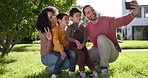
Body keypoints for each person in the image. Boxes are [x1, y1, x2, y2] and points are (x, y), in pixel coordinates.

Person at [82, 0, 139, 76]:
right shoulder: (87, 28)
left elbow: (121, 21)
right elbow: (81, 40)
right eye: (88, 12)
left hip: (112, 53)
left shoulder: (107, 20)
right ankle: (95, 64)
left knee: (101, 38)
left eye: (92, 10)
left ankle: (104, 69)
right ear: (85, 17)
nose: (91, 13)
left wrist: (133, 14)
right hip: (98, 51)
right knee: (82, 54)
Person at [36, 6, 71, 75]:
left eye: (54, 15)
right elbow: (49, 51)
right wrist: (50, 40)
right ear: (47, 20)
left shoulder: (59, 27)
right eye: (50, 17)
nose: (54, 18)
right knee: (67, 62)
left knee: (70, 58)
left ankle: (56, 66)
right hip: (47, 56)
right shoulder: (45, 31)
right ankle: (49, 69)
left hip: (58, 53)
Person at [66, 8, 98, 78]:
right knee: (81, 54)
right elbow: (67, 37)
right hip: (73, 46)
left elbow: (85, 37)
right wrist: (76, 41)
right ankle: (82, 71)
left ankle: (94, 71)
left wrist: (83, 44)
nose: (79, 17)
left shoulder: (82, 27)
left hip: (82, 45)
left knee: (87, 57)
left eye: (80, 15)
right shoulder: (70, 27)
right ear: (71, 18)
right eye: (76, 16)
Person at [51, 13, 77, 78]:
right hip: (58, 49)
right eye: (65, 19)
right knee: (61, 58)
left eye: (68, 19)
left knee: (73, 55)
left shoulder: (68, 29)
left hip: (67, 48)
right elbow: (56, 41)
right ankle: (55, 73)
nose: (67, 21)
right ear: (59, 21)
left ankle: (72, 71)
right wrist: (62, 51)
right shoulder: (55, 30)